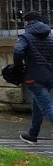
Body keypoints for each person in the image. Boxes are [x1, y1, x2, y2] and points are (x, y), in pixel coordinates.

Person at [13, 11, 53, 144]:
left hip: (34, 78)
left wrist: (19, 68)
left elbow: (18, 50)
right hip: (49, 77)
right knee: (38, 104)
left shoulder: (26, 37)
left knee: (47, 107)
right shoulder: (50, 36)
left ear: (27, 22)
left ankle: (32, 134)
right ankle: (32, 134)